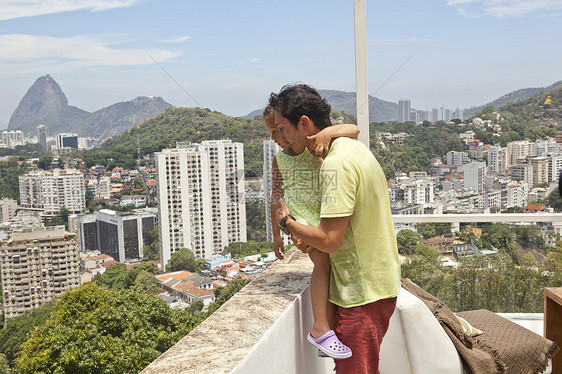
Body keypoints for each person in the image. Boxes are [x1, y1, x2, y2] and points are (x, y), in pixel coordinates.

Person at [274, 84, 401, 373]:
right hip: (376, 285)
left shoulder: (335, 164)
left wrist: (287, 222)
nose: (281, 137)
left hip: (362, 295)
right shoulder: (353, 148)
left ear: (304, 123)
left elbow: (330, 240)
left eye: (283, 128)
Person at [264, 96, 359, 359]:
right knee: (324, 264)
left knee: (332, 265)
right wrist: (278, 234)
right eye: (272, 132)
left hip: (322, 215)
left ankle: (327, 332)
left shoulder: (312, 144)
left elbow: (354, 129)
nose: (276, 137)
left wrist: (328, 132)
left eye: (279, 130)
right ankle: (321, 329)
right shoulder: (278, 160)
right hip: (302, 219)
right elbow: (277, 197)